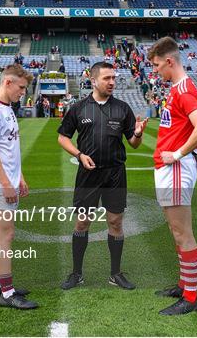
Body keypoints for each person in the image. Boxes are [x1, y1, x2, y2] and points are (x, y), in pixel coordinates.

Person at [57, 62, 148, 291]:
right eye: (107, 78)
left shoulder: (122, 108)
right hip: (88, 173)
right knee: (82, 222)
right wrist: (79, 155)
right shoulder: (78, 108)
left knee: (115, 223)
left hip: (115, 174)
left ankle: (115, 274)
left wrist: (137, 134)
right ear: (94, 80)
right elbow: (63, 137)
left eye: (114, 78)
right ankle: (76, 273)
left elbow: (134, 144)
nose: (112, 82)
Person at [147, 36, 197, 315]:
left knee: (182, 232)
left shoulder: (184, 90)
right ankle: (184, 285)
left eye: (158, 65)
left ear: (170, 61)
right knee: (176, 231)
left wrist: (179, 153)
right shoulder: (176, 88)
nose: (156, 70)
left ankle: (191, 298)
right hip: (168, 167)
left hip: (175, 168)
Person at [0, 64, 38, 310]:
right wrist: (5, 183)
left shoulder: (8, 109)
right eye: (21, 87)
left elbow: (9, 149)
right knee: (6, 234)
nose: (23, 92)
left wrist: (19, 177)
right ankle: (8, 293)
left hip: (6, 182)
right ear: (8, 83)